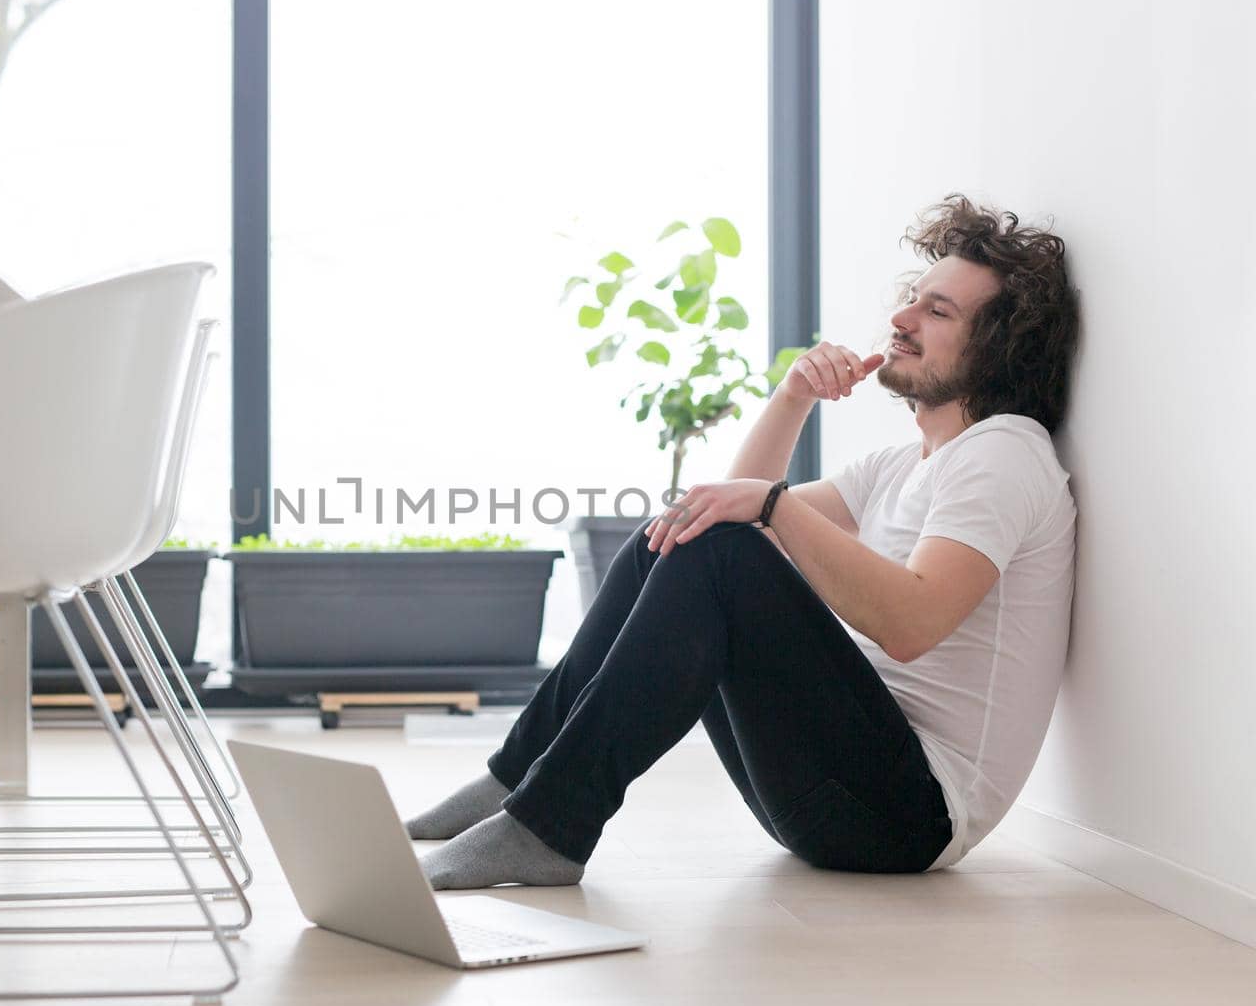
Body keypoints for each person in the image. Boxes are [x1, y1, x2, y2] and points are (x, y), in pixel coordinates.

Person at [407, 193, 1081, 889]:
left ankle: (548, 827)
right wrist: (792, 396)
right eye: (913, 298)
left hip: (910, 812)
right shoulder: (902, 465)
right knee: (673, 534)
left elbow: (911, 623)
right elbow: (719, 519)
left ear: (998, 348)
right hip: (841, 786)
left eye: (937, 311)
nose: (901, 319)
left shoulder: (1005, 452)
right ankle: (515, 785)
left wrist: (772, 505)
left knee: (719, 543)